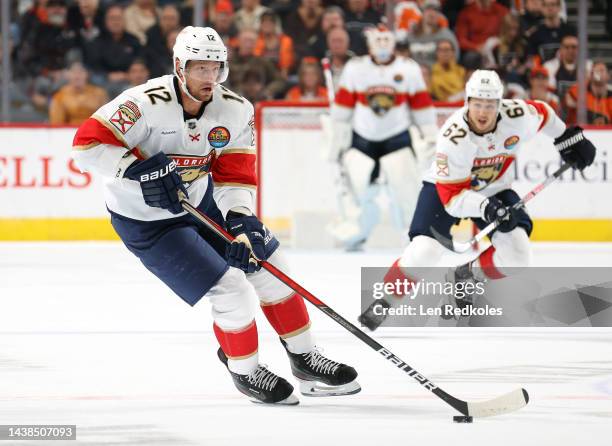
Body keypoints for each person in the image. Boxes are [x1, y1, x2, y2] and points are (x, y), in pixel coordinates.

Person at [71, 26, 360, 405]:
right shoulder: (143, 103)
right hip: (145, 221)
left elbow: (234, 174)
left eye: (216, 68)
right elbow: (85, 145)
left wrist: (242, 221)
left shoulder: (236, 110)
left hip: (199, 203)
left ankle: (305, 360)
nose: (210, 78)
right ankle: (245, 370)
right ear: (179, 66)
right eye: (200, 68)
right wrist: (134, 169)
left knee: (271, 264)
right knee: (231, 291)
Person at [358, 70, 596, 330]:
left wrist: (567, 137)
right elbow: (453, 199)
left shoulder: (517, 116)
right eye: (478, 105)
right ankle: (386, 301)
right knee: (425, 251)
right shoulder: (454, 137)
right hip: (447, 190)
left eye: (490, 105)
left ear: (500, 104)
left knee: (518, 255)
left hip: (493, 189)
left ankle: (468, 274)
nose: (483, 113)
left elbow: (544, 113)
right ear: (467, 102)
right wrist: (487, 209)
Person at [329, 25, 437, 251]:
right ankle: (357, 233)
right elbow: (342, 109)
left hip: (396, 138)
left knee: (405, 190)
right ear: (369, 44)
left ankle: (412, 235)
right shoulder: (355, 68)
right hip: (362, 139)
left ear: (393, 43)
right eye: (376, 43)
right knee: (358, 189)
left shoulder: (408, 69)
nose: (381, 47)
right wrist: (337, 140)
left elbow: (421, 107)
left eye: (385, 42)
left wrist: (430, 135)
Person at [406, 0, 458, 68]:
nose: (432, 13)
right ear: (422, 12)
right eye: (428, 9)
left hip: (437, 75)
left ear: (440, 15)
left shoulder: (446, 35)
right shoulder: (411, 35)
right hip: (413, 74)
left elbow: (455, 57)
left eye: (435, 10)